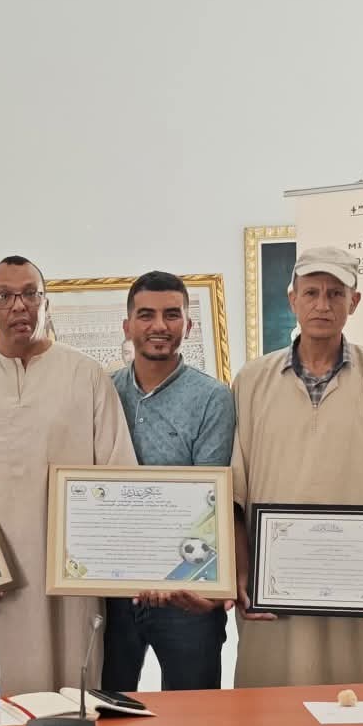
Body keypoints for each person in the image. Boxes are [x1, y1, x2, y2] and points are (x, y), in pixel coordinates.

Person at [0, 257, 136, 693]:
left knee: (68, 701)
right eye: (4, 296)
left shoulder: (86, 374)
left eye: (30, 294)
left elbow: (118, 476)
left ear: (47, 304)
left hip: (67, 580)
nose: (18, 306)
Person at [230, 246, 363, 688]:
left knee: (359, 700)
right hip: (275, 583)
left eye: (336, 293)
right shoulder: (252, 379)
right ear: (292, 299)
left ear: (354, 302)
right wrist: (241, 571)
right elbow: (237, 488)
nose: (322, 304)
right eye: (311, 292)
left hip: (360, 581)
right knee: (271, 703)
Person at [102, 271, 236, 691]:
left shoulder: (213, 397)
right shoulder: (103, 391)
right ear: (127, 325)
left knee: (195, 716)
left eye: (172, 314)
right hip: (112, 589)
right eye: (146, 315)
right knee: (108, 713)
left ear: (188, 325)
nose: (159, 325)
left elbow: (210, 501)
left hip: (186, 592)